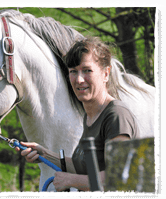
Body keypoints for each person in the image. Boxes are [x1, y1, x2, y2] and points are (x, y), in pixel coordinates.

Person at [15, 36, 140, 191]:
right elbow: (84, 167)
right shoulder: (90, 116)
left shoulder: (116, 116)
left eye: (87, 70)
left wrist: (71, 180)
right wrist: (45, 154)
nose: (79, 79)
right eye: (73, 71)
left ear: (106, 73)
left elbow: (119, 177)